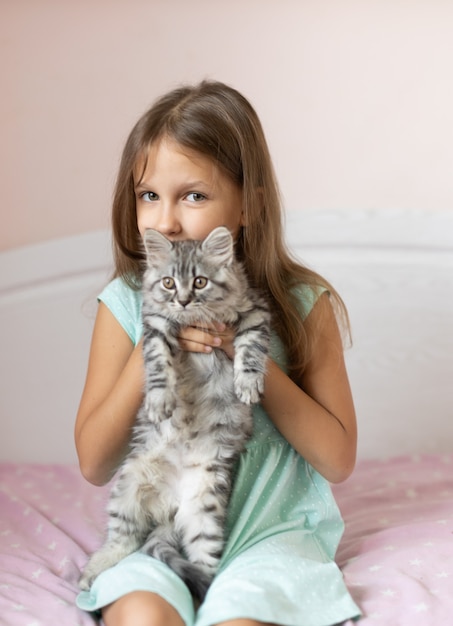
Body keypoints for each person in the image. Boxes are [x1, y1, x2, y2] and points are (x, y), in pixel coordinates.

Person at [75, 80, 361, 626]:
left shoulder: (304, 303)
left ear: (249, 205)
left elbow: (337, 458)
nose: (165, 220)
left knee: (241, 620)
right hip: (162, 532)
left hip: (270, 534)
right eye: (149, 195)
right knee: (140, 613)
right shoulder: (127, 303)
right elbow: (93, 462)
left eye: (194, 195)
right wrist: (152, 342)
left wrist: (250, 359)